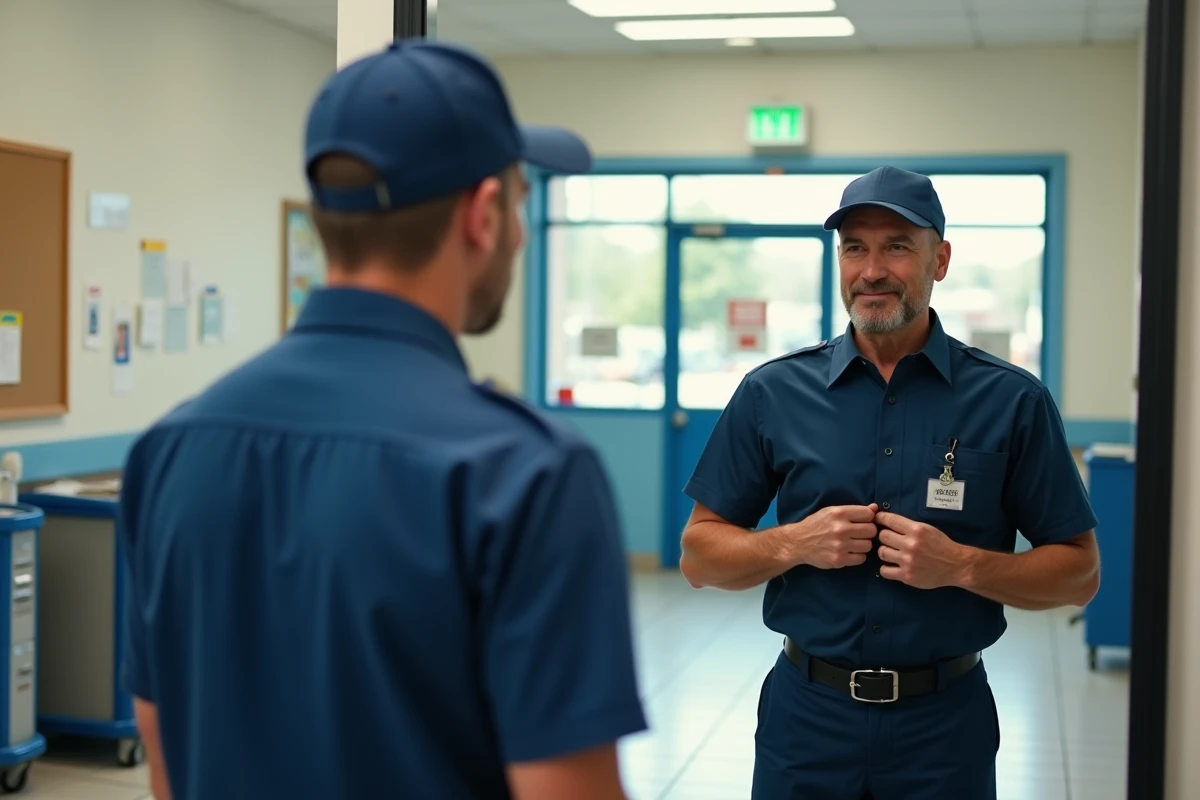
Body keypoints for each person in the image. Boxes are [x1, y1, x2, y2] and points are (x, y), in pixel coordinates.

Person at [118, 41, 646, 800]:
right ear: (484, 216)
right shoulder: (523, 472)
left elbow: (164, 748)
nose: (522, 234)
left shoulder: (170, 449)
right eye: (522, 204)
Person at [678, 166, 1101, 800]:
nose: (871, 269)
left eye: (896, 245)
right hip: (807, 721)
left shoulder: (1011, 402)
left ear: (941, 259)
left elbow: (1078, 574)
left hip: (944, 728)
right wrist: (792, 543)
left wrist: (961, 566)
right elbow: (698, 557)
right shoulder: (773, 393)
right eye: (854, 247)